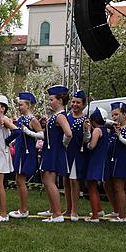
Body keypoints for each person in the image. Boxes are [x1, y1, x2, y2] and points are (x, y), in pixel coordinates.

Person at [39, 85, 73, 223]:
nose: (49, 102)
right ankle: (54, 212)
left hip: (54, 151)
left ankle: (57, 214)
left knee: (49, 181)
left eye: (52, 99)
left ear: (60, 100)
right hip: (51, 149)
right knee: (47, 181)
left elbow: (69, 133)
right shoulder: (56, 116)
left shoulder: (60, 116)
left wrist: (62, 144)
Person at [7, 92, 43, 219]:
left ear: (28, 105)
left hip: (27, 153)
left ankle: (24, 210)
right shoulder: (21, 119)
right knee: (18, 180)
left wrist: (29, 132)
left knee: (21, 180)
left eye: (21, 105)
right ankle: (22, 208)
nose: (19, 107)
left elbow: (42, 135)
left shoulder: (33, 120)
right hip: (20, 150)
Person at [64, 90, 89, 221]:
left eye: (78, 102)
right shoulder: (66, 117)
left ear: (83, 104)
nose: (75, 104)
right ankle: (68, 209)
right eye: (73, 102)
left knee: (74, 180)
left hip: (78, 152)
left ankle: (74, 210)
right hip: (66, 151)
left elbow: (86, 140)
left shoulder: (86, 119)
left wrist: (86, 130)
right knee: (66, 180)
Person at [83, 107, 110, 222]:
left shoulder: (97, 130)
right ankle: (98, 210)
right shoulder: (104, 129)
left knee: (92, 187)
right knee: (94, 187)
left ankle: (95, 216)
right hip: (101, 159)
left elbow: (92, 145)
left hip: (96, 160)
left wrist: (87, 144)